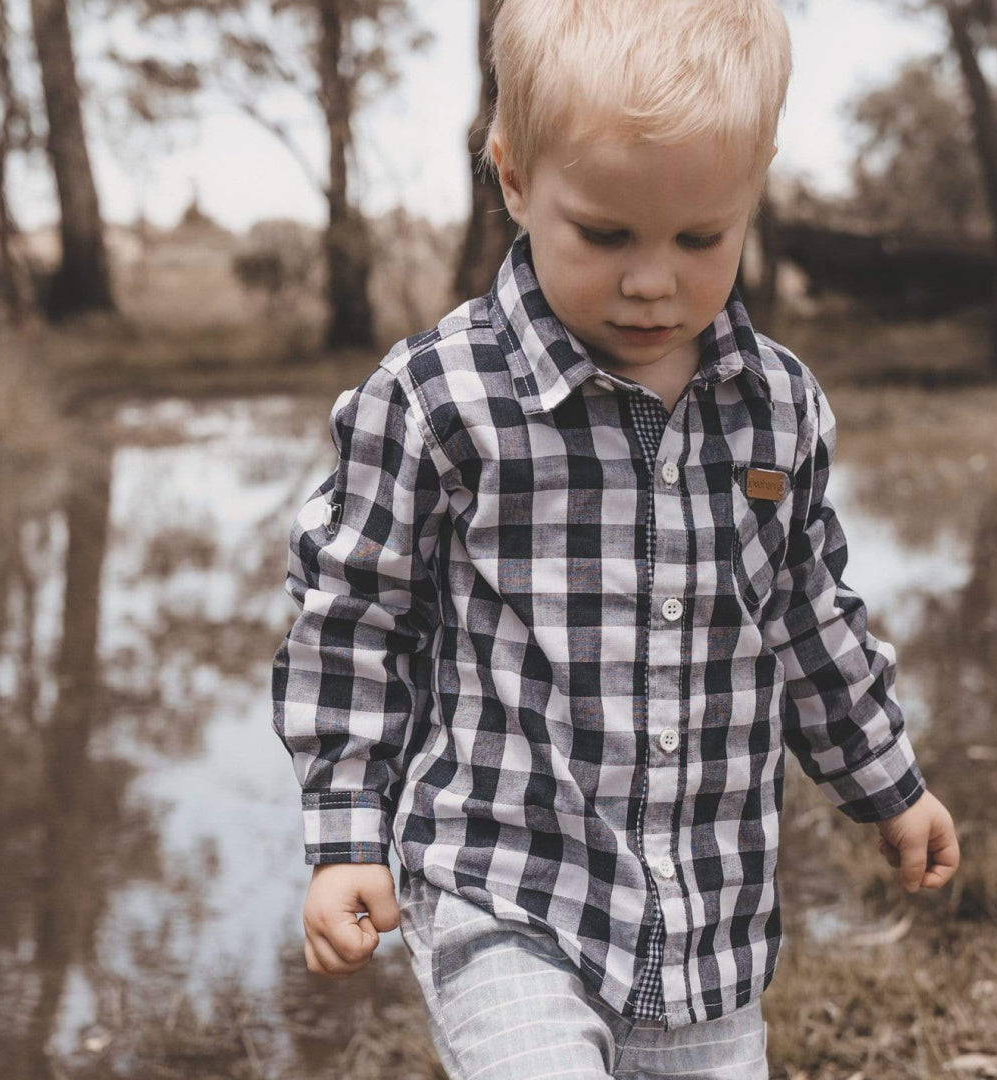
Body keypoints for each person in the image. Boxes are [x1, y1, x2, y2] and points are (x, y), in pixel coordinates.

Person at [271, 0, 961, 1076]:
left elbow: (811, 619)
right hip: (505, 892)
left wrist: (890, 784)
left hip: (709, 929)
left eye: (700, 238)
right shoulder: (439, 400)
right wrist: (347, 831)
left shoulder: (778, 409)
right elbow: (353, 619)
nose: (652, 280)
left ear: (753, 186)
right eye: (605, 234)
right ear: (511, 177)